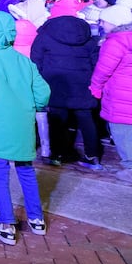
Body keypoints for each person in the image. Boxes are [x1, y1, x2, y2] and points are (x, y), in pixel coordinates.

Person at [0, 10, 52, 246]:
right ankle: (36, 219)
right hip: (22, 123)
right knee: (26, 170)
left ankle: (6, 223)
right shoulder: (24, 61)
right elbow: (43, 92)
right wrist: (32, 106)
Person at [89, 1, 132, 184]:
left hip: (120, 93)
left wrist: (95, 87)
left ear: (114, 21)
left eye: (103, 21)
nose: (101, 24)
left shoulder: (115, 41)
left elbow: (103, 69)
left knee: (123, 132)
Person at [31, 9, 104, 169]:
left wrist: (42, 81)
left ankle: (58, 155)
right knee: (86, 119)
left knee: (57, 121)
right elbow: (96, 63)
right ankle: (92, 156)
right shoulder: (88, 40)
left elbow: (35, 61)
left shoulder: (45, 37)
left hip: (56, 83)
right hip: (83, 85)